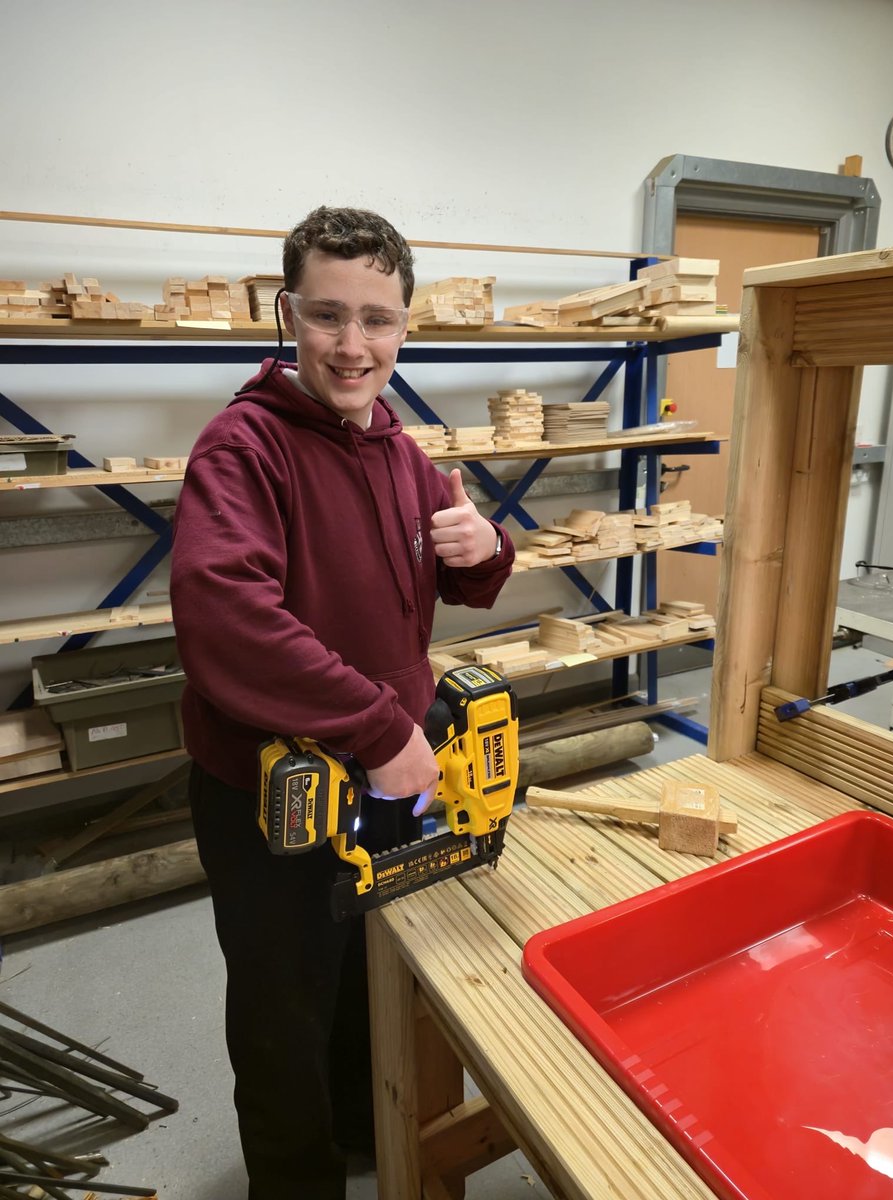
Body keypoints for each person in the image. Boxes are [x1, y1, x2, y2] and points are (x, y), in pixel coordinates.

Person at [170, 205, 514, 1199]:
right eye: (328, 317)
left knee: (368, 974)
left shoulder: (403, 454)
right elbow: (223, 615)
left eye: (378, 319)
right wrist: (374, 728)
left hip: (385, 777)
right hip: (275, 795)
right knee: (282, 1007)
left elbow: (449, 576)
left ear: (406, 325)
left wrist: (486, 552)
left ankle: (366, 1127)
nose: (354, 346)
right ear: (288, 316)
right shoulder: (243, 450)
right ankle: (296, 1183)